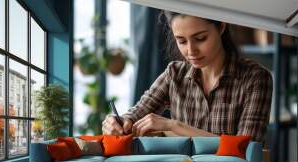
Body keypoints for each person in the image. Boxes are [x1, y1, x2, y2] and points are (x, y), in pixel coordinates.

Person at [102, 11, 272, 142]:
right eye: (182, 41)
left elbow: (247, 148)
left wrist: (173, 126)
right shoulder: (174, 74)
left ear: (221, 26)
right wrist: (118, 123)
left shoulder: (255, 78)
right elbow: (136, 114)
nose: (191, 51)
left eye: (200, 38)